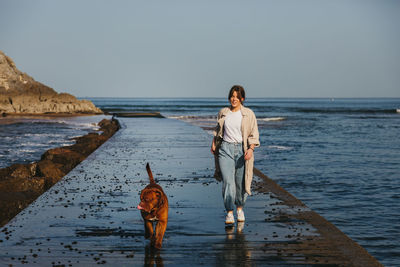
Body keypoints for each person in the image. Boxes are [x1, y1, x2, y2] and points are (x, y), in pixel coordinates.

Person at [211, 85, 260, 225]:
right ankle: (229, 213)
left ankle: (239, 208)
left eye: (237, 97)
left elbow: (254, 133)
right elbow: (217, 130)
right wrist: (213, 142)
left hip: (241, 150)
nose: (234, 99)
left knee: (241, 182)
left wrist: (251, 149)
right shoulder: (223, 112)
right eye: (232, 96)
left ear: (242, 99)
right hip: (225, 149)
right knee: (228, 182)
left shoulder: (249, 114)